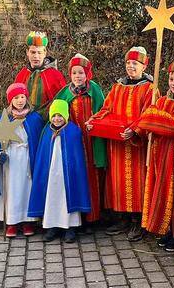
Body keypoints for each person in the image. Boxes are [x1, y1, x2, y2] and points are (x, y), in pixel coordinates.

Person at [86, 46, 155, 241]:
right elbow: (106, 108)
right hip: (117, 144)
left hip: (136, 145)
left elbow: (150, 114)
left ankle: (138, 221)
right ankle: (123, 218)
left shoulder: (150, 88)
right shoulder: (118, 87)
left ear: (144, 66)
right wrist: (94, 120)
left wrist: (134, 130)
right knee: (118, 181)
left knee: (137, 181)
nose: (131, 66)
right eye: (128, 63)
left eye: (135, 63)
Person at [133, 58, 174, 251]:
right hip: (160, 152)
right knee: (161, 189)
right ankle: (167, 228)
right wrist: (146, 123)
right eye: (171, 79)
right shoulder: (162, 100)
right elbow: (146, 119)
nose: (173, 83)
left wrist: (153, 116)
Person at [28, 100, 92, 243]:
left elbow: (77, 157)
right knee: (52, 197)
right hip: (51, 175)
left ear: (66, 116)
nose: (57, 119)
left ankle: (70, 228)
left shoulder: (73, 131)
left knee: (67, 197)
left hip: (68, 175)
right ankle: (52, 226)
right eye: (54, 116)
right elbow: (42, 155)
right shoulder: (46, 132)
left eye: (60, 116)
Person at [54, 54, 106, 226]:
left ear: (87, 74)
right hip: (73, 142)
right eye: (74, 73)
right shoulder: (64, 93)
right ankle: (77, 218)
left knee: (92, 176)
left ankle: (92, 218)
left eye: (81, 73)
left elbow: (103, 111)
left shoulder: (95, 90)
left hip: (91, 141)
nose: (77, 76)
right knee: (75, 174)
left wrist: (95, 122)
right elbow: (57, 116)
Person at [0, 83, 44, 238]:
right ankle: (11, 222)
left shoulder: (34, 118)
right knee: (11, 190)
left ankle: (28, 221)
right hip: (10, 160)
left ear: (27, 98)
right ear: (10, 100)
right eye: (16, 97)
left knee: (27, 189)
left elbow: (38, 142)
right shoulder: (4, 118)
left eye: (22, 97)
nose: (20, 100)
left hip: (27, 158)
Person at [14, 31, 66, 119]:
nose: (36, 56)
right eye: (33, 52)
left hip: (47, 120)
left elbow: (61, 102)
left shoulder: (54, 75)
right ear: (27, 52)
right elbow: (14, 99)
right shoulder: (22, 74)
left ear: (45, 53)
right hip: (24, 119)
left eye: (39, 52)